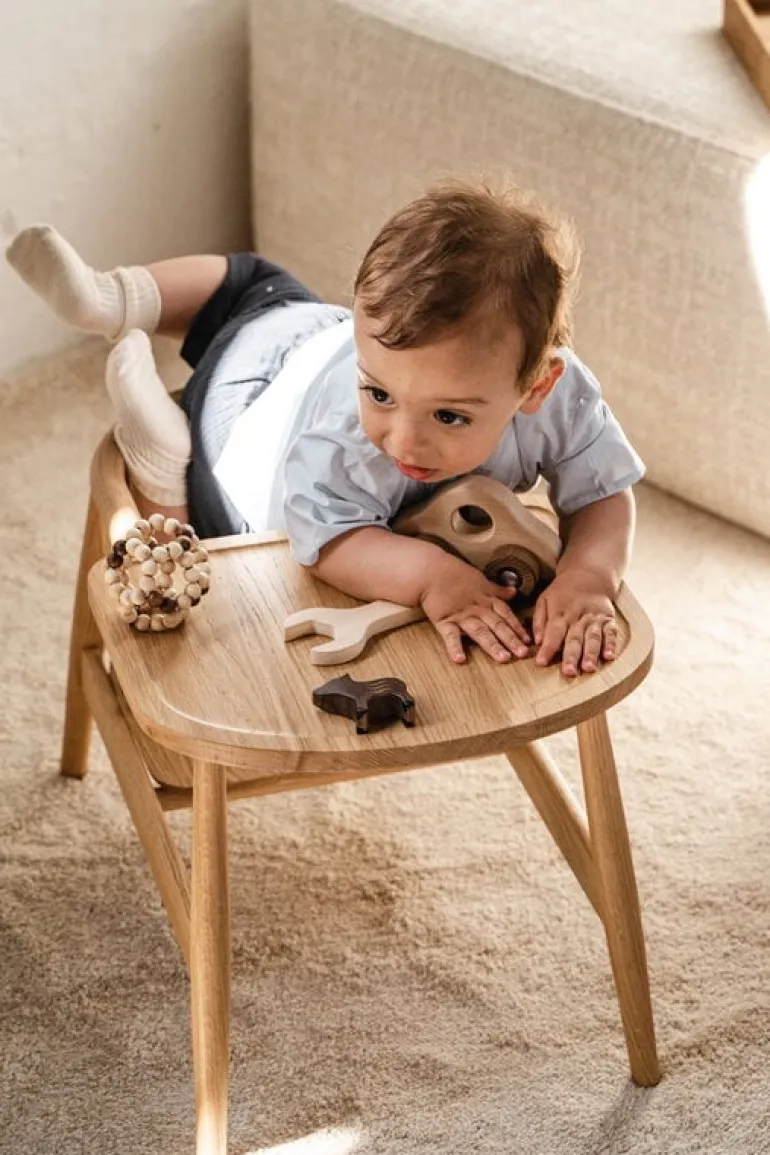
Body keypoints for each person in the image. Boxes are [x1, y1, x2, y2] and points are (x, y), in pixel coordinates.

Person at [6, 178, 644, 677]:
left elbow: (603, 491)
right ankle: (147, 417)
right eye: (381, 395)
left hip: (304, 338)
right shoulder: (348, 441)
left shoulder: (562, 396)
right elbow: (328, 541)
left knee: (255, 287)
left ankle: (124, 303)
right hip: (240, 434)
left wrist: (589, 575)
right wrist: (430, 577)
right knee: (216, 529)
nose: (403, 441)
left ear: (537, 387)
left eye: (449, 415)